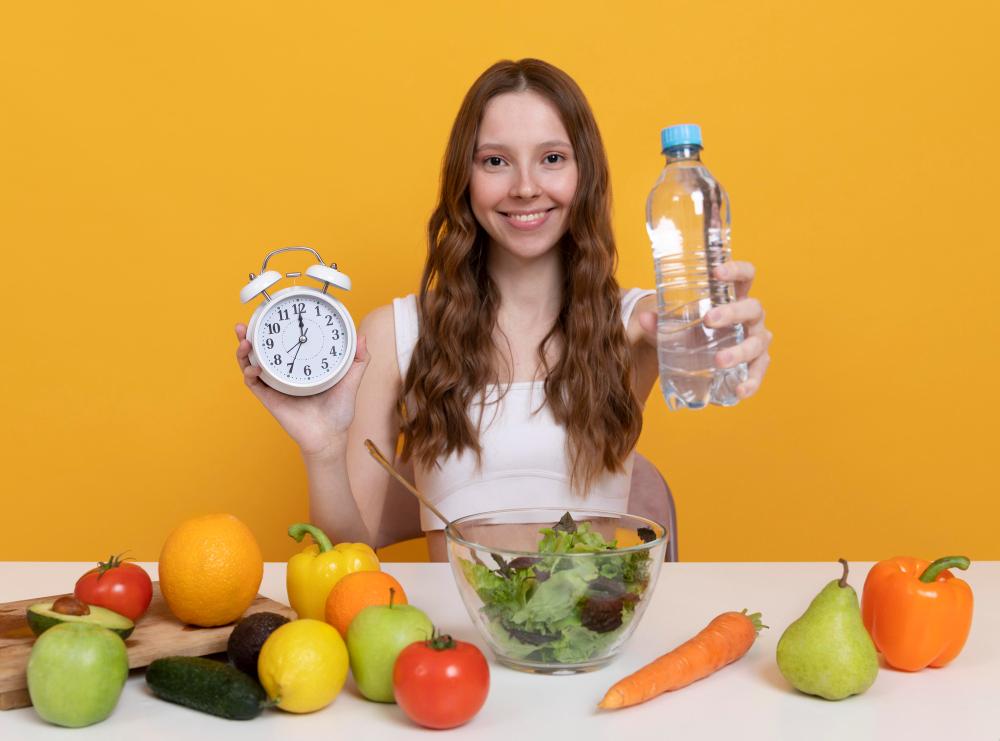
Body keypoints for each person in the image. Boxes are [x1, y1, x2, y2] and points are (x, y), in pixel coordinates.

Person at [235, 59, 772, 561]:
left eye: (552, 158)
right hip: (452, 630)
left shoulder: (634, 326)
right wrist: (324, 449)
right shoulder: (395, 334)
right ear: (464, 179)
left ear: (584, 174)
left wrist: (729, 339)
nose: (525, 188)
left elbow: (697, 332)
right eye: (495, 161)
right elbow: (345, 554)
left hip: (593, 627)